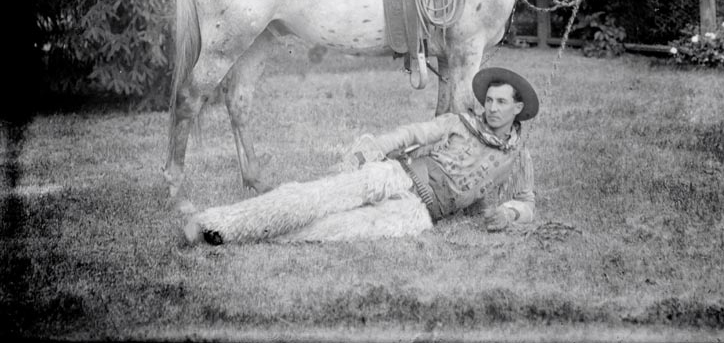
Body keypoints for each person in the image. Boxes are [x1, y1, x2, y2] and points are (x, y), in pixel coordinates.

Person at [184, 67, 539, 245]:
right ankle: (218, 222)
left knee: (338, 229)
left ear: (517, 108)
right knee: (316, 197)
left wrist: (509, 213)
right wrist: (372, 149)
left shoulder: (517, 157)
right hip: (394, 176)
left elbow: (526, 200)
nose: (491, 108)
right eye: (489, 100)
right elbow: (410, 135)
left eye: (501, 102)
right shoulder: (459, 122)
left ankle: (251, 235)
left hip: (419, 213)